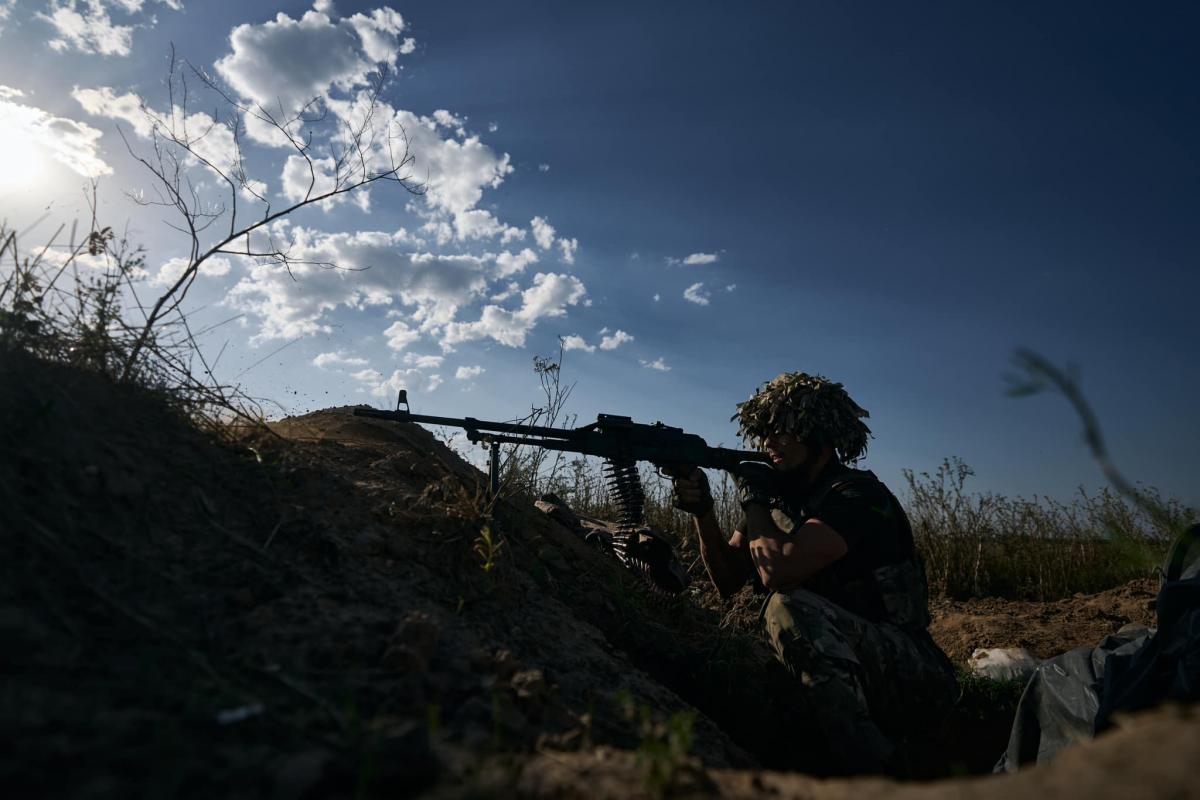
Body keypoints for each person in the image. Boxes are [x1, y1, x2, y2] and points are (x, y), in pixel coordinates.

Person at [671, 371, 955, 775]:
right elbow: (729, 583)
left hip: (912, 674)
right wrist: (704, 513)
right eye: (763, 432)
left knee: (786, 607)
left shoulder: (856, 495)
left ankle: (877, 769)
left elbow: (778, 572)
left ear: (817, 433)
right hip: (848, 663)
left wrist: (754, 499)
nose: (768, 443)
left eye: (782, 431)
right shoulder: (780, 499)